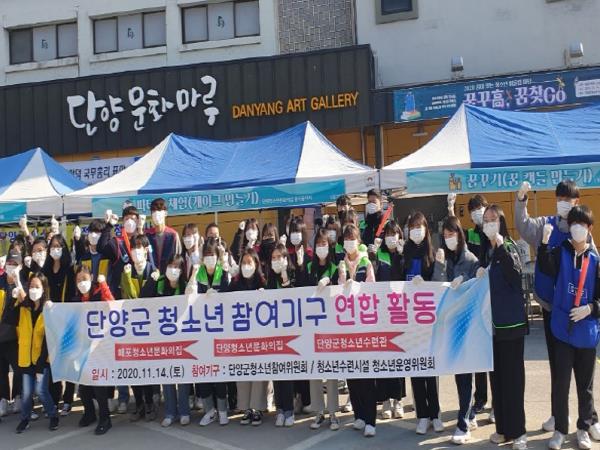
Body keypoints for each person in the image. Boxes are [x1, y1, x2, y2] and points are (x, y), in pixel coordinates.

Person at [514, 179, 586, 433]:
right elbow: (523, 225)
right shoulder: (546, 225)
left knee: (582, 366)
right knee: (557, 364)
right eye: (560, 198)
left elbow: (593, 262)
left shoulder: (581, 229)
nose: (563, 203)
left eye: (568, 199)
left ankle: (589, 418)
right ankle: (558, 414)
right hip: (550, 308)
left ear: (577, 201)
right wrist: (521, 201)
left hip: (577, 311)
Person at [538, 205, 600, 450]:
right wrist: (543, 244)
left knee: (585, 386)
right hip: (562, 330)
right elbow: (545, 268)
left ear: (590, 228)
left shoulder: (595, 260)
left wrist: (591, 308)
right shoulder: (560, 252)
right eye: (574, 224)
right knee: (561, 384)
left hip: (586, 332)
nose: (577, 228)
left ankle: (583, 428)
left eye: (582, 224)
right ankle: (560, 430)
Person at [479, 204, 528, 450]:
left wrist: (502, 249)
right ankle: (503, 429)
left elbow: (516, 277)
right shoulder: (487, 251)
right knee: (497, 379)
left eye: (493, 219)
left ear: (501, 222)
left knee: (513, 380)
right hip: (492, 326)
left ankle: (519, 432)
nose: (488, 223)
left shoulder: (509, 246)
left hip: (511, 325)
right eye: (485, 220)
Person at [432, 217, 480, 444]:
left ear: (460, 234)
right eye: (445, 235)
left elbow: (479, 286)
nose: (449, 238)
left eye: (452, 234)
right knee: (458, 374)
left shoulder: (470, 259)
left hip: (466, 323)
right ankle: (468, 415)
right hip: (449, 324)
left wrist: (466, 279)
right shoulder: (444, 257)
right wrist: (440, 266)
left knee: (465, 374)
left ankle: (463, 423)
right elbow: (437, 287)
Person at [403, 212, 443, 435]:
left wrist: (426, 283)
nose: (416, 231)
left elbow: (438, 283)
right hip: (409, 318)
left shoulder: (432, 253)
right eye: (412, 227)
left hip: (428, 318)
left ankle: (435, 413)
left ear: (426, 229)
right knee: (416, 368)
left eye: (420, 226)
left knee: (430, 368)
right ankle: (422, 415)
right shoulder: (405, 253)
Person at [297, 228, 340, 431]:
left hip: (330, 325)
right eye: (319, 244)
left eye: (324, 244)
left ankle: (333, 413)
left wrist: (330, 280)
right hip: (311, 326)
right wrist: (299, 267)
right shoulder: (308, 267)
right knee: (314, 369)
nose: (322, 247)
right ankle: (319, 411)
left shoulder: (334, 267)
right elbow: (300, 289)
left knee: (330, 370)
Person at [337, 224, 377, 438]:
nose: (349, 242)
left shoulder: (365, 263)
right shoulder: (342, 264)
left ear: (358, 240)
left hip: (364, 326)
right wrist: (342, 281)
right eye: (346, 239)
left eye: (352, 238)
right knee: (352, 374)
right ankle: (359, 415)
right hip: (347, 327)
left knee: (366, 376)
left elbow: (372, 290)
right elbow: (338, 293)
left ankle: (371, 420)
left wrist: (357, 288)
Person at [187, 237, 230, 426]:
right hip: (200, 332)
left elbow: (230, 299)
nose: (209, 258)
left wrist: (218, 297)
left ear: (217, 257)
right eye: (206, 255)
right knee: (202, 372)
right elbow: (189, 296)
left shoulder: (224, 274)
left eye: (212, 255)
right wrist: (192, 278)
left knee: (219, 373)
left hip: (220, 332)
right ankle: (209, 410)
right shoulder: (198, 274)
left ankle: (222, 410)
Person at [8, 272, 59, 433]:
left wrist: (40, 364)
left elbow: (48, 340)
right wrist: (14, 299)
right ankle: (25, 419)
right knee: (26, 393)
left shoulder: (48, 310)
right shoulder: (24, 307)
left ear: (44, 289)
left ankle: (53, 415)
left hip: (41, 359)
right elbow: (9, 319)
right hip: (25, 358)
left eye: (37, 287)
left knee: (41, 391)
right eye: (31, 286)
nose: (33, 290)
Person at [72, 264, 114, 435]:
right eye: (79, 280)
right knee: (83, 387)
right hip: (83, 348)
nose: (82, 283)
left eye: (84, 279)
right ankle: (89, 413)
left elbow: (112, 305)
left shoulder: (99, 294)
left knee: (99, 386)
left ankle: (105, 418)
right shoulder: (76, 300)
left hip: (100, 348)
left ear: (91, 278)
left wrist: (103, 285)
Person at [229, 248, 269, 426]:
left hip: (260, 336)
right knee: (243, 371)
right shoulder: (235, 283)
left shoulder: (263, 281)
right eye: (243, 263)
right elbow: (224, 300)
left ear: (256, 264)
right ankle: (245, 408)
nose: (246, 266)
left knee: (258, 371)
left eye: (249, 262)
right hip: (241, 336)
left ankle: (257, 408)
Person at [373, 221, 406, 421]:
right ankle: (385, 400)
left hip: (399, 312)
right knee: (383, 356)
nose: (391, 238)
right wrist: (373, 256)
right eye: (388, 234)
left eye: (394, 234)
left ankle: (398, 400)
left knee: (398, 357)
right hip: (381, 312)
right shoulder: (380, 254)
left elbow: (405, 277)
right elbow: (372, 279)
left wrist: (402, 256)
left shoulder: (403, 255)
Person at [157, 255, 191, 428]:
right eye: (170, 265)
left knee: (182, 375)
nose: (173, 269)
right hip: (163, 338)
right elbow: (144, 299)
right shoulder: (159, 283)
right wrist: (152, 280)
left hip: (182, 338)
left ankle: (184, 411)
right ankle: (170, 412)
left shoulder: (185, 285)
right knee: (167, 375)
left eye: (177, 266)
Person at [266, 243, 296, 427]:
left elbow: (295, 294)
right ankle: (280, 410)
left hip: (291, 334)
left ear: (286, 258)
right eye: (273, 258)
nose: (276, 260)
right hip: (274, 332)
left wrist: (285, 277)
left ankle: (290, 411)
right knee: (277, 372)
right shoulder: (270, 277)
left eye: (280, 257)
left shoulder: (294, 273)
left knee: (288, 373)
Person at [0, 251, 26, 418]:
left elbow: (26, 302)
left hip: (15, 336)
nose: (11, 267)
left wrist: (18, 282)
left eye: (15, 264)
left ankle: (17, 396)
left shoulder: (23, 283)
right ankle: (3, 399)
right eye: (9, 263)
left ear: (21, 266)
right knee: (1, 371)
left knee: (18, 369)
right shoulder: (1, 282)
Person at [97, 205, 143, 299]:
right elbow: (101, 248)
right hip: (121, 291)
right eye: (126, 219)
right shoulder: (117, 242)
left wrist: (141, 230)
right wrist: (109, 226)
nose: (129, 221)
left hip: (140, 288)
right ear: (123, 222)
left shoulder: (143, 240)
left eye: (132, 219)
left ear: (138, 221)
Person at [145, 198, 182, 274]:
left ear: (165, 213)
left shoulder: (173, 235)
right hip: (151, 276)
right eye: (153, 211)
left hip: (168, 276)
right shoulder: (147, 235)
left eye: (159, 210)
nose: (156, 213)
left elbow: (178, 258)